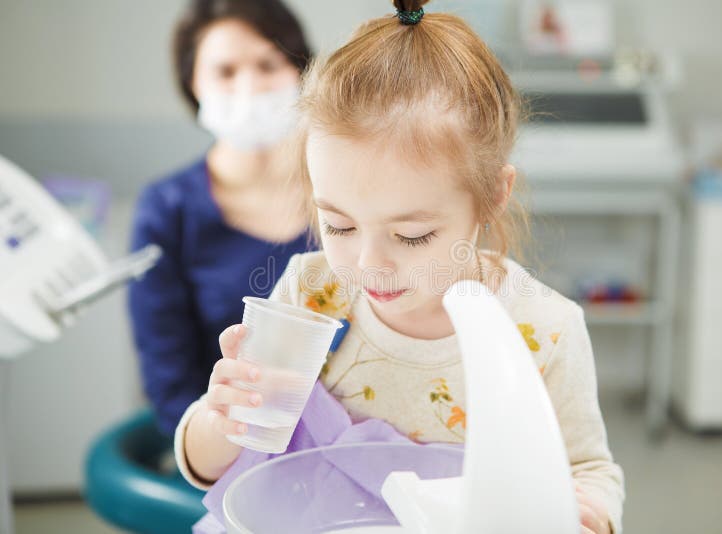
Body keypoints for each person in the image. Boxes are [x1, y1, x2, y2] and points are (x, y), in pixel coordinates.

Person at [176, 1, 624, 532]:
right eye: (338, 226)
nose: (368, 265)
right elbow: (208, 466)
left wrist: (592, 516)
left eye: (412, 235)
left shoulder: (544, 332)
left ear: (491, 197)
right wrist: (221, 419)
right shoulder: (310, 294)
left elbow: (587, 470)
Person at [128, 0, 314, 435]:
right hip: (228, 443)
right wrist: (220, 445)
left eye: (269, 64)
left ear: (302, 73)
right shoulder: (167, 210)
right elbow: (168, 382)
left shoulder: (343, 192)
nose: (249, 86)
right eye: (226, 72)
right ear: (192, 84)